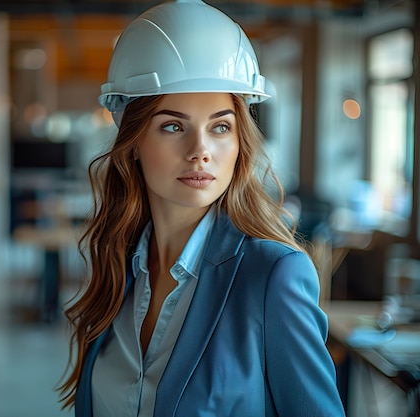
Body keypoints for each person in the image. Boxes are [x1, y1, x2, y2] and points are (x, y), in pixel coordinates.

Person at [58, 0, 346, 416]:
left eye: (220, 127)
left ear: (239, 142)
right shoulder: (118, 261)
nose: (200, 152)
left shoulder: (273, 275)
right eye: (173, 126)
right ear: (133, 142)